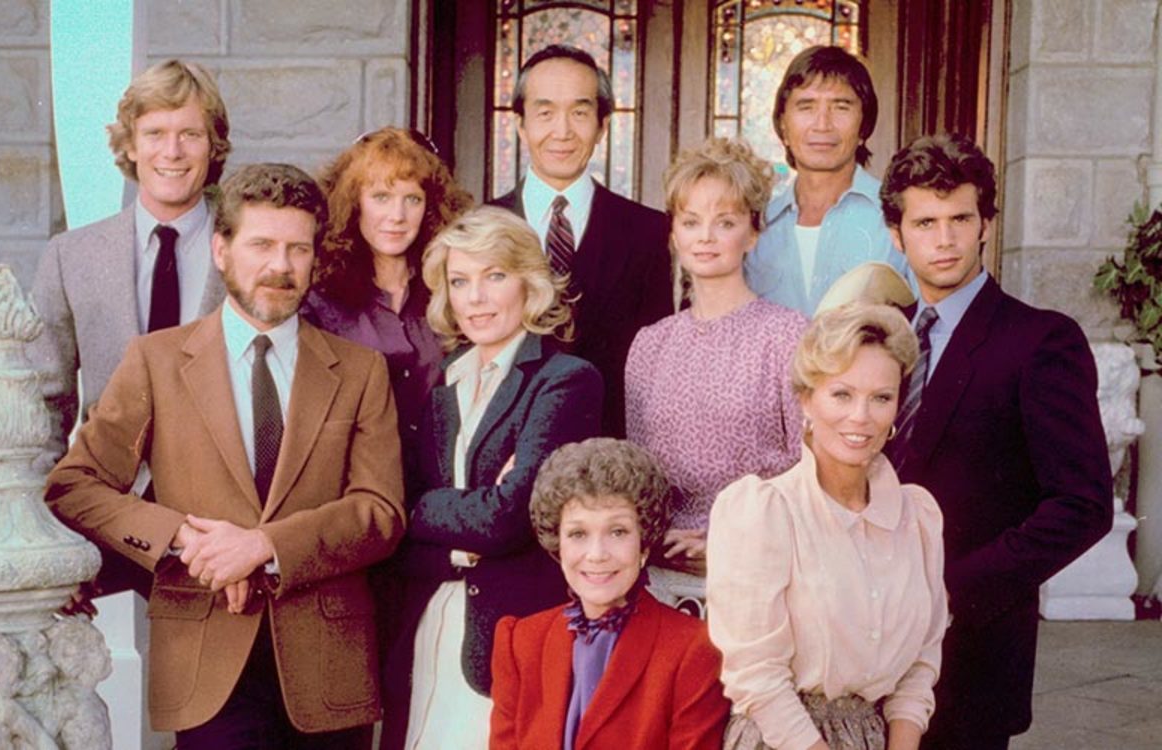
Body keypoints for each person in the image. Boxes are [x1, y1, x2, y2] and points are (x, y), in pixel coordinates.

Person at [45, 163, 406, 748]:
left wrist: (263, 546)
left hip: (328, 666)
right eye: (262, 245)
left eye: (297, 249)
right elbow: (74, 485)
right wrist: (185, 540)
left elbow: (380, 511)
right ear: (220, 250)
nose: (280, 266)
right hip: (205, 655)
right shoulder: (156, 362)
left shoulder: (360, 371)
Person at [879, 134, 1113, 750]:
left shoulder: (1040, 341)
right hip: (868, 644)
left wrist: (952, 591)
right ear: (896, 234)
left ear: (986, 224)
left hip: (972, 654)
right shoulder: (883, 338)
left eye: (961, 219)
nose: (945, 239)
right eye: (925, 223)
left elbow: (1083, 505)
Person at [381, 206, 604, 750]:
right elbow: (399, 517)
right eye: (460, 281)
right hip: (427, 632)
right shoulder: (442, 386)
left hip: (510, 636)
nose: (475, 298)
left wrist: (435, 508)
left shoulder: (565, 381)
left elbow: (511, 517)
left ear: (528, 283)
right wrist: (462, 532)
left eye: (494, 276)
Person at [30, 59, 232, 599]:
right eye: (155, 133)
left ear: (213, 146)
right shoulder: (71, 256)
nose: (172, 151)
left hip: (220, 533)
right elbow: (43, 407)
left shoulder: (248, 248)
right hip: (105, 522)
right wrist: (45, 537)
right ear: (131, 145)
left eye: (190, 134)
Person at [707, 301, 948, 750]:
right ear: (806, 399)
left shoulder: (918, 517)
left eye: (881, 397)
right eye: (842, 394)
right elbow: (756, 676)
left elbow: (920, 664)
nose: (861, 416)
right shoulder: (763, 512)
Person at [624, 137, 805, 608]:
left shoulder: (788, 336)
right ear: (674, 235)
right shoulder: (650, 345)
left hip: (760, 576)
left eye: (725, 222)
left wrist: (728, 537)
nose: (705, 237)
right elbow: (639, 477)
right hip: (661, 581)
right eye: (691, 222)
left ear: (753, 233)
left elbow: (809, 472)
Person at [490, 437, 730, 750]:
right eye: (578, 534)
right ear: (558, 545)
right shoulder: (520, 641)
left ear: (644, 543)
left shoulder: (694, 648)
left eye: (617, 532)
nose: (597, 554)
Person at [490, 44, 671, 437]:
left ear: (602, 126)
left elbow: (659, 363)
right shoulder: (480, 227)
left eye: (579, 113)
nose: (562, 132)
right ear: (520, 124)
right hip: (500, 453)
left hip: (610, 452)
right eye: (545, 113)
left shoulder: (650, 232)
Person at [303, 127, 472, 457]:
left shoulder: (452, 289)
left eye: (413, 199)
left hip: (442, 476)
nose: (397, 216)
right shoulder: (318, 300)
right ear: (354, 202)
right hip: (356, 475)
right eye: (381, 197)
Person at [743, 45, 909, 316]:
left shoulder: (898, 215)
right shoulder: (756, 225)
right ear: (783, 125)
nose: (822, 124)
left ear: (864, 126)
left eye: (841, 107)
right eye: (806, 106)